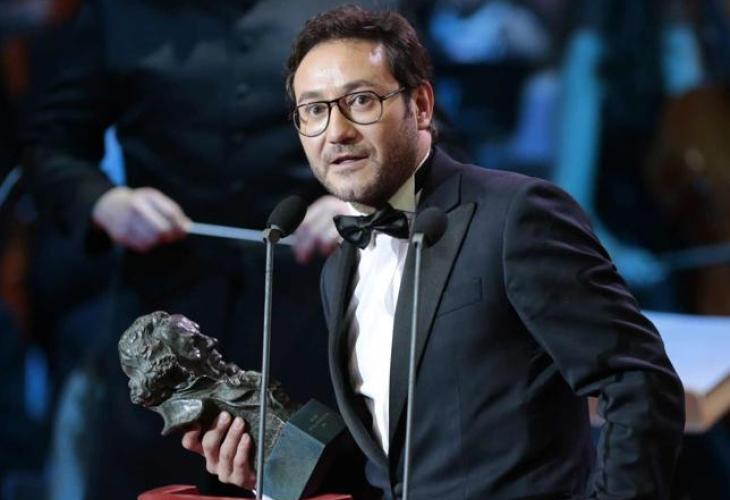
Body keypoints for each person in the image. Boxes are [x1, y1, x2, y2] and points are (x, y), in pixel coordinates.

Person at [183, 6, 685, 499]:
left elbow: (639, 382)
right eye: (314, 110)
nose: (336, 132)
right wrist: (270, 474)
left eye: (361, 100)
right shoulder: (338, 268)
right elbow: (393, 468)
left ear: (421, 105)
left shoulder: (515, 216)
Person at [22, 1, 394, 498]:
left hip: (314, 312)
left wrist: (358, 198)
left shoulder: (355, 9)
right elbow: (49, 148)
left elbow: (428, 136)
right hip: (160, 326)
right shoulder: (117, 12)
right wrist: (105, 202)